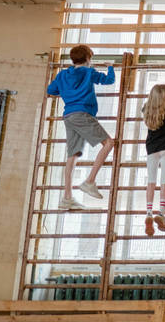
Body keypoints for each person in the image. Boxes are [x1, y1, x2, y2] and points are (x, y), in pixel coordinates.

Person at [47, 45, 115, 210]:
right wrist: (110, 67)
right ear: (88, 59)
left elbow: (50, 90)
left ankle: (67, 197)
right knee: (109, 143)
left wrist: (67, 93)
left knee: (73, 155)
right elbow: (109, 80)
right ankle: (90, 181)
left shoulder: (63, 74)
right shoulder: (88, 72)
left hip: (68, 116)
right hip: (83, 114)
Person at [142, 63, 165, 236]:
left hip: (151, 149)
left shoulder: (146, 109)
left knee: (151, 181)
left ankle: (148, 212)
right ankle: (161, 212)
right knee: (164, 181)